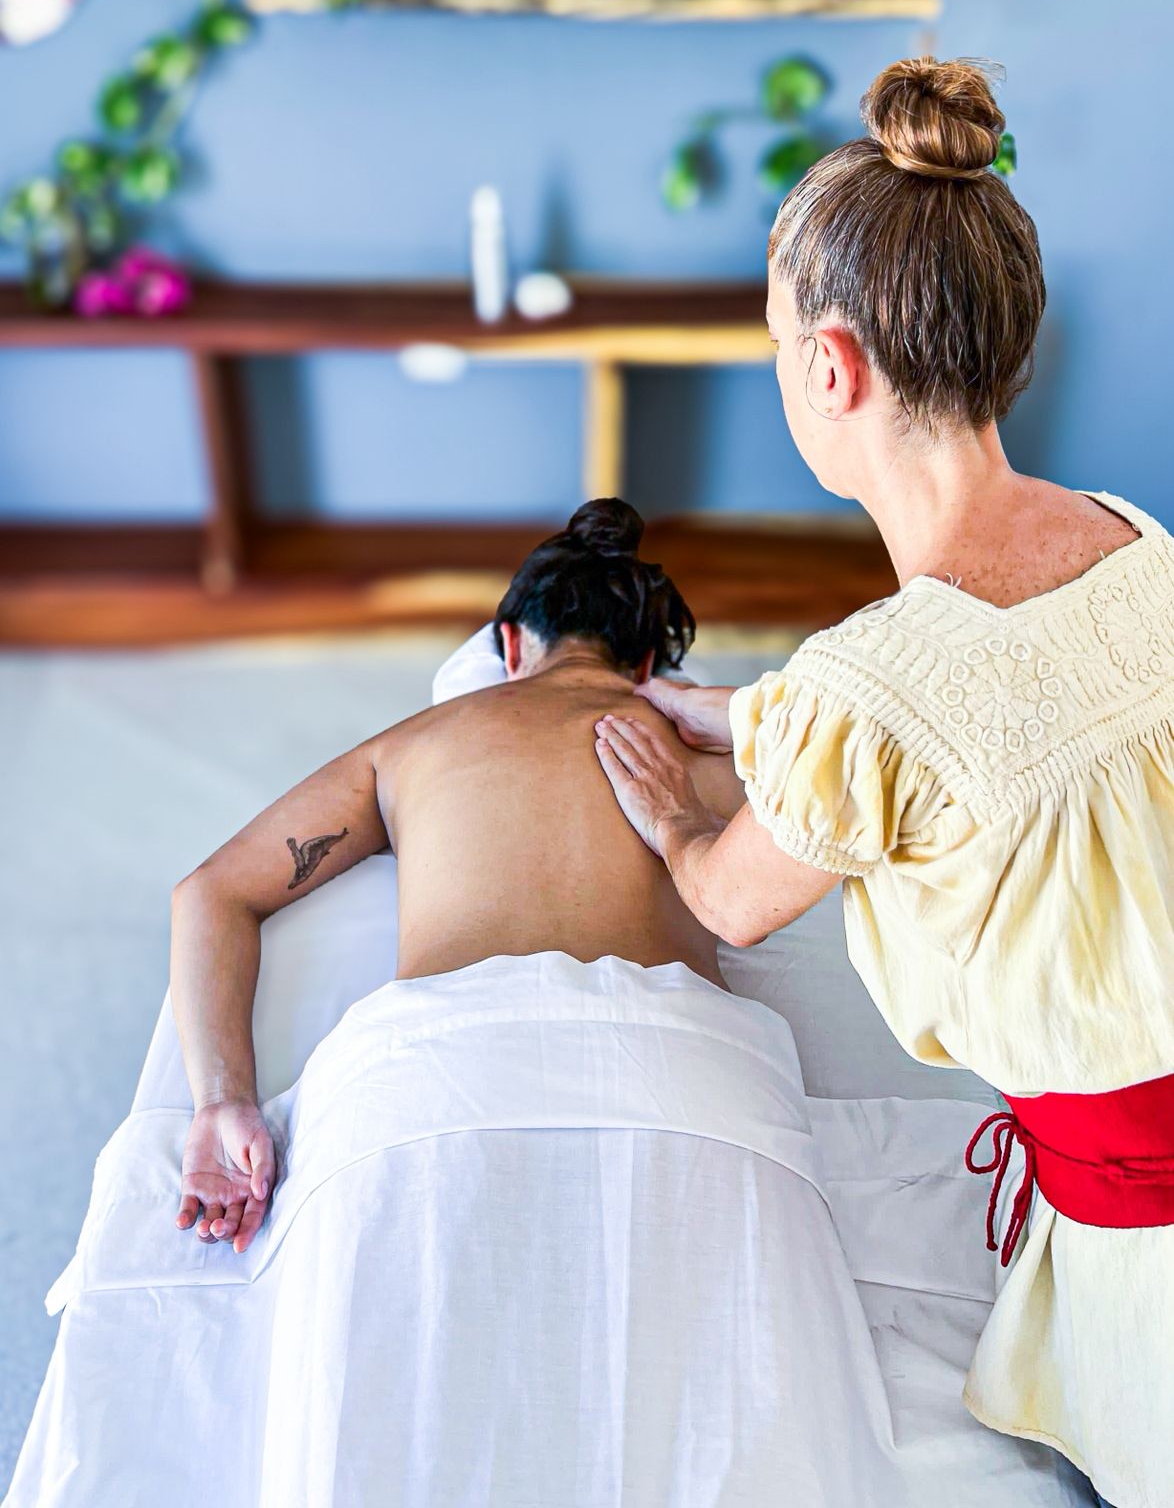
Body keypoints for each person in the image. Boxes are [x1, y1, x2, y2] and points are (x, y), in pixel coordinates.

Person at [594, 56, 1173, 1508]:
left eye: (774, 340)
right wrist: (752, 715)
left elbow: (729, 900)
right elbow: (996, 705)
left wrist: (670, 803)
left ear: (829, 368)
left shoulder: (868, 690)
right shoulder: (1130, 536)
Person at [157, 498, 901, 1506]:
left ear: (508, 645)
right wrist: (728, 733)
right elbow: (876, 787)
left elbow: (210, 892)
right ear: (653, 665)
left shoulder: (416, 741)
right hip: (688, 1088)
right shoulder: (701, 757)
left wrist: (221, 1102)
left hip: (428, 1089)